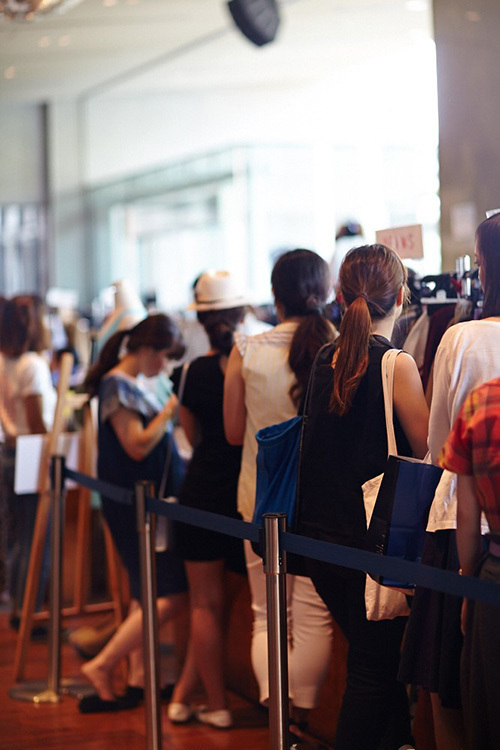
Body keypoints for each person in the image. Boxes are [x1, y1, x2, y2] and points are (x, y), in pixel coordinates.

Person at [296, 244, 429, 750]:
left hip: (323, 546)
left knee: (379, 670)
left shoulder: (325, 359)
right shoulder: (396, 364)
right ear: (401, 296)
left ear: (340, 295)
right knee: (373, 676)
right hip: (375, 549)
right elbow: (426, 448)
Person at [399, 213, 500, 750]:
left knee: (451, 687)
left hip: (461, 529)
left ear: (483, 269)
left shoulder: (460, 338)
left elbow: (438, 445)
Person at [224, 248, 335, 729]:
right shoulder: (338, 343)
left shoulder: (247, 349)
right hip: (318, 503)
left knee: (267, 615)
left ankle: (277, 723)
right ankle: (303, 723)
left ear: (275, 295)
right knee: (313, 616)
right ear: (326, 292)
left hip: (259, 499)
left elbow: (232, 433)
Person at [79, 314, 188, 712]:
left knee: (147, 595)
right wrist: (171, 409)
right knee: (169, 596)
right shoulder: (117, 386)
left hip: (144, 504)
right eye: (163, 356)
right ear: (145, 349)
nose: (164, 365)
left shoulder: (130, 384)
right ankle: (103, 664)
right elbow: (137, 445)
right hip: (134, 506)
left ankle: (136, 678)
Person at [168, 271, 248, 729]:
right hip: (243, 501)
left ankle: (207, 701)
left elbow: (190, 436)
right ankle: (191, 697)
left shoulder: (191, 373)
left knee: (204, 605)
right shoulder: (254, 362)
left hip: (199, 495)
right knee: (224, 604)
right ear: (241, 314)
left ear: (201, 321)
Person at [439, 376, 500, 750]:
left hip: (492, 576)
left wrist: (466, 581)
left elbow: (466, 514)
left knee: (491, 710)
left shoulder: (483, 400)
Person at [0, 294, 57, 628]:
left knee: (19, 535)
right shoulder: (31, 365)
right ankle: (29, 612)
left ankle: (22, 608)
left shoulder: (5, 361)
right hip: (31, 451)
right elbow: (36, 423)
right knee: (36, 535)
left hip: (10, 449)